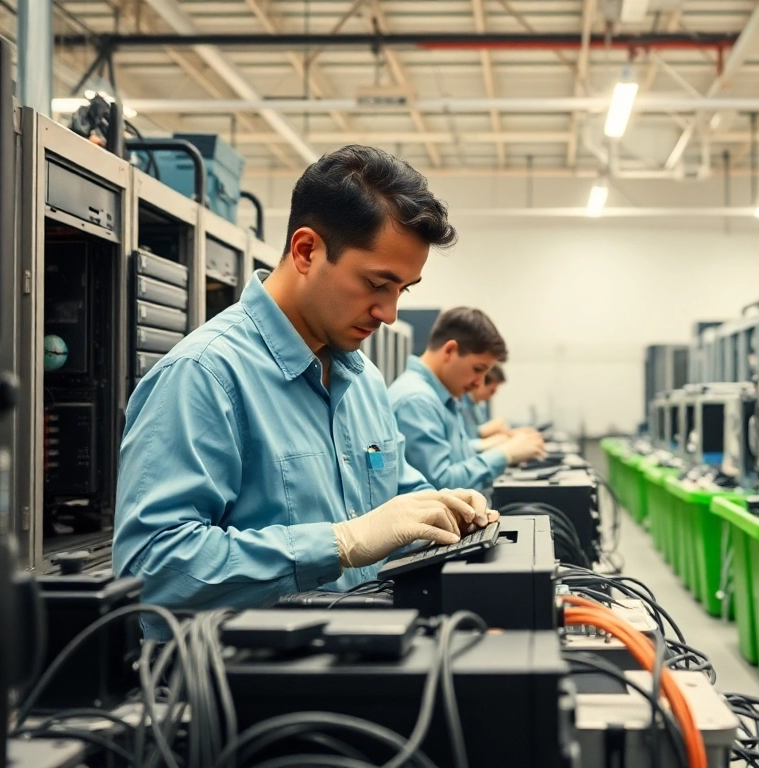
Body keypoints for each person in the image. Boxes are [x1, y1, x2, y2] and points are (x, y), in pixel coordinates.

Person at [113, 146, 494, 638]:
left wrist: (446, 510)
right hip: (238, 678)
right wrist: (337, 543)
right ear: (307, 250)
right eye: (377, 284)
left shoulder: (363, 379)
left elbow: (394, 501)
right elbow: (150, 569)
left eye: (403, 290)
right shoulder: (204, 376)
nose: (389, 313)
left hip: (354, 657)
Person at [389, 309, 545, 493]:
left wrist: (497, 444)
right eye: (478, 369)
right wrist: (505, 454)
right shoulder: (417, 401)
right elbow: (440, 486)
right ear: (450, 351)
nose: (479, 383)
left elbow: (457, 459)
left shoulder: (440, 397)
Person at [461, 364, 510, 451]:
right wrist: (481, 432)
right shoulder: (461, 404)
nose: (492, 395)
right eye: (492, 391)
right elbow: (462, 441)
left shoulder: (480, 405)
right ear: (481, 383)